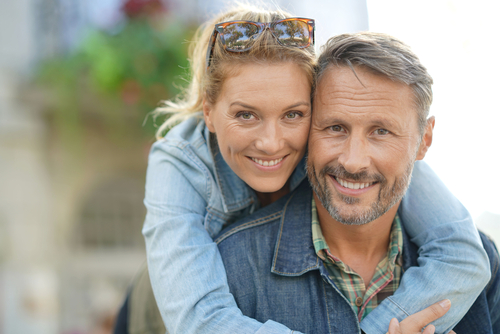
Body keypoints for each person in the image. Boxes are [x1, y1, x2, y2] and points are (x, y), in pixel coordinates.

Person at [133, 4, 490, 334]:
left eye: (293, 114)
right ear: (208, 112)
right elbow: (202, 318)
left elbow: (460, 253)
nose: (271, 142)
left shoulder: (358, 154)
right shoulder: (179, 164)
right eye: (246, 115)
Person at [214, 32, 500, 333]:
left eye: (381, 132)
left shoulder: (483, 261)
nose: (352, 161)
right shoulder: (232, 266)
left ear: (424, 140)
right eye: (335, 127)